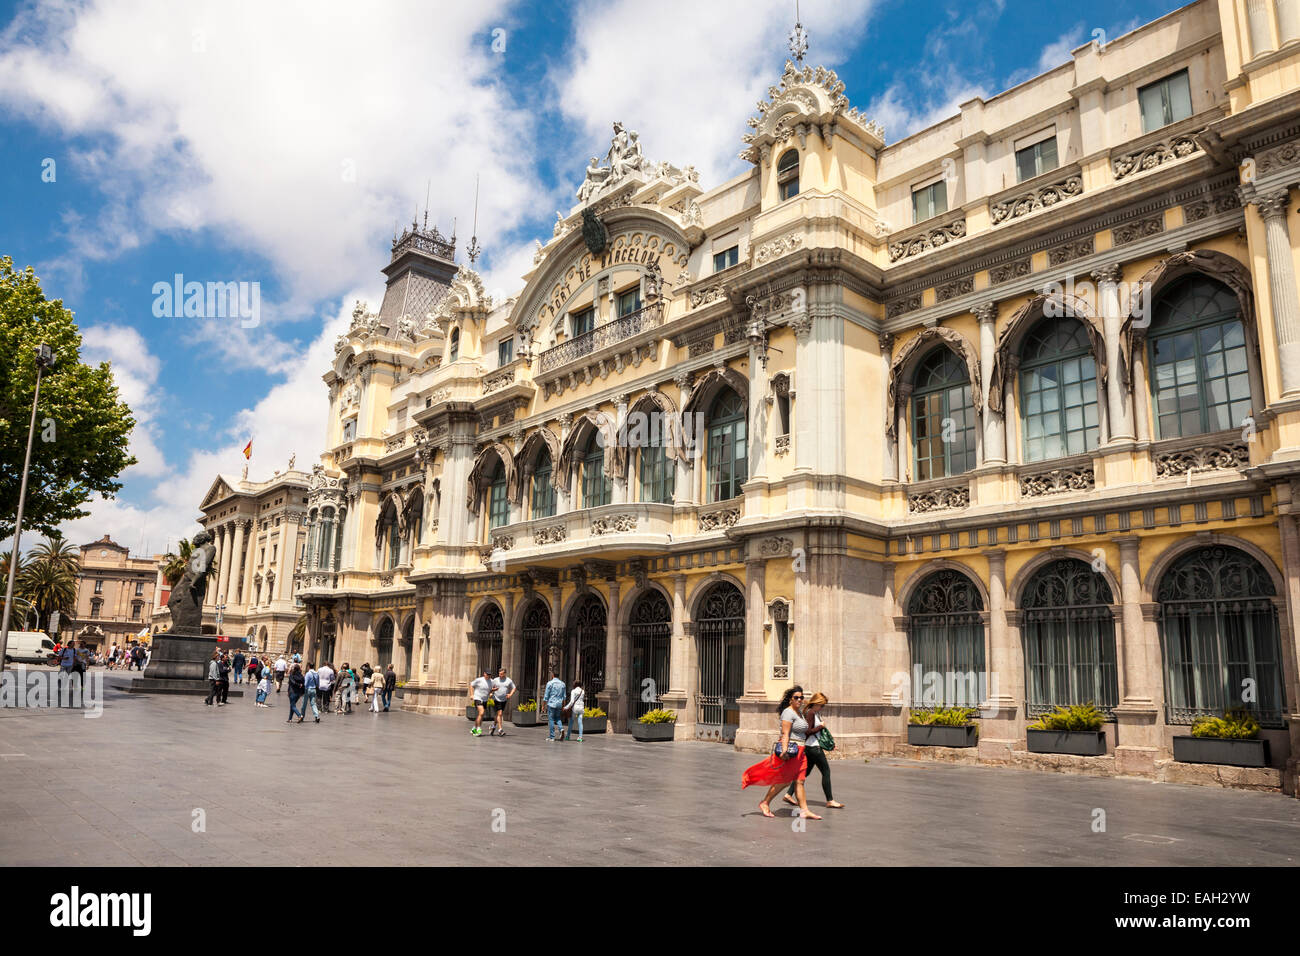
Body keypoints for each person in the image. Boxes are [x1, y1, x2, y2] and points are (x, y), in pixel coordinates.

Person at [741, 686, 820, 820]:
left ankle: (804, 810)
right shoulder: (788, 713)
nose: (799, 699)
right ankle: (765, 802)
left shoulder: (799, 712)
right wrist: (784, 751)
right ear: (790, 699)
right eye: (796, 697)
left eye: (801, 697)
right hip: (792, 751)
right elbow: (785, 733)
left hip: (802, 751)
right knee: (785, 781)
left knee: (800, 781)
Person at [784, 692, 843, 810]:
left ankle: (788, 794)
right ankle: (830, 800)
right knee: (826, 771)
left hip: (810, 747)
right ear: (816, 703)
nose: (822, 708)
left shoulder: (810, 712)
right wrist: (821, 726)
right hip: (813, 748)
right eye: (822, 705)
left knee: (805, 773)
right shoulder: (810, 713)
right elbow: (807, 731)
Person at [542, 670, 566, 742]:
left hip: (551, 703)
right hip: (559, 703)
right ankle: (561, 728)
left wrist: (543, 705)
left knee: (551, 719)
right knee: (558, 718)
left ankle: (552, 737)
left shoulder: (550, 683)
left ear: (552, 675)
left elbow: (546, 696)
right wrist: (563, 706)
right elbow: (564, 697)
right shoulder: (563, 684)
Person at [490, 667, 514, 735]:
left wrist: (510, 694)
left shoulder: (508, 680)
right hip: (496, 699)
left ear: (505, 674)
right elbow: (490, 688)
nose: (500, 675)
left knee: (498, 715)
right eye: (499, 674)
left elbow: (514, 688)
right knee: (500, 713)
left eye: (502, 674)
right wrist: (491, 693)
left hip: (504, 699)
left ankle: (493, 726)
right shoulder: (495, 680)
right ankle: (500, 730)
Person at [469, 669, 493, 736]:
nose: (488, 676)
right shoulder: (479, 680)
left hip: (485, 699)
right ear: (484, 673)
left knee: (481, 715)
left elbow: (491, 689)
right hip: (478, 698)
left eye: (489, 674)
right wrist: (471, 694)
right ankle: (478, 729)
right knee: (481, 712)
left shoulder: (492, 681)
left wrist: (491, 693)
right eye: (487, 674)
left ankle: (474, 728)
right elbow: (471, 685)